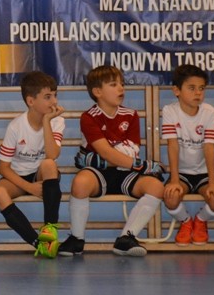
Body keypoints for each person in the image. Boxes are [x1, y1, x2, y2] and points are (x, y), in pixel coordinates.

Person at [59, 65, 165, 257]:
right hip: (99, 175)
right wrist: (137, 163)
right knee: (80, 183)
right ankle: (76, 238)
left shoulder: (131, 115)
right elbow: (107, 152)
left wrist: (101, 159)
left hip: (125, 173)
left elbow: (131, 150)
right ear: (97, 92)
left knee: (156, 187)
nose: (121, 88)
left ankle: (126, 238)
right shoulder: (89, 117)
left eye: (122, 84)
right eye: (114, 84)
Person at [0, 71, 64, 259]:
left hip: (42, 174)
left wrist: (47, 121)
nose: (54, 101)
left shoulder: (57, 121)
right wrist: (29, 187)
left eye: (55, 95)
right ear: (31, 101)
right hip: (18, 177)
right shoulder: (16, 126)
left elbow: (53, 154)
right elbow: (3, 168)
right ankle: (38, 243)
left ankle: (49, 229)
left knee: (48, 164)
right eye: (47, 97)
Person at [162, 64, 214, 246]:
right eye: (191, 88)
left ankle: (200, 220)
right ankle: (185, 221)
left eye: (201, 88)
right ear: (177, 90)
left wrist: (213, 182)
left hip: (205, 172)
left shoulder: (210, 112)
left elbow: (209, 147)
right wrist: (174, 180)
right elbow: (172, 146)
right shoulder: (169, 111)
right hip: (182, 173)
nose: (198, 93)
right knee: (171, 197)